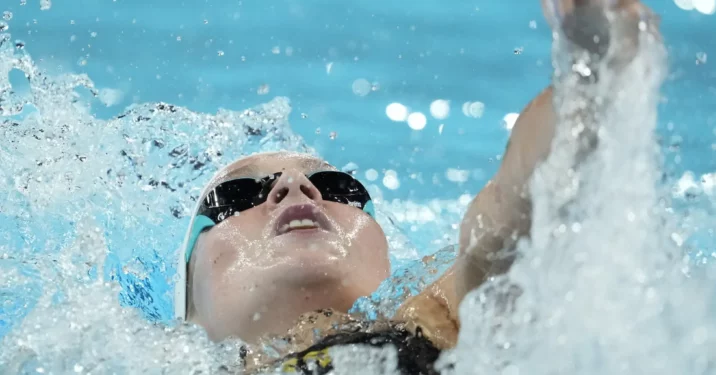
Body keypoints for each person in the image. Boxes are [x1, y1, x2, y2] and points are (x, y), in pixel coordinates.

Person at [173, 0, 661, 373]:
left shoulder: (442, 330)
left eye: (338, 187)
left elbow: (509, 218)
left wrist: (590, 73)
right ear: (189, 311)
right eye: (238, 196)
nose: (297, 187)